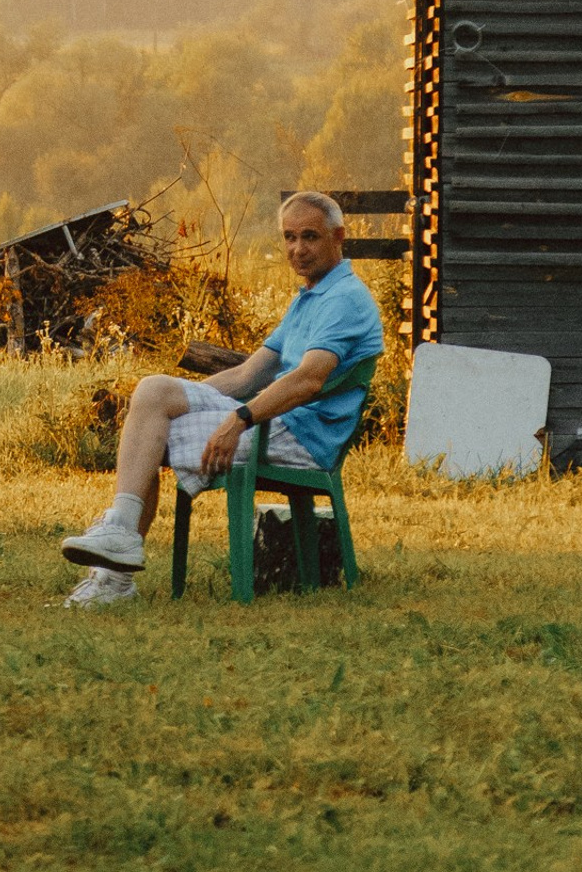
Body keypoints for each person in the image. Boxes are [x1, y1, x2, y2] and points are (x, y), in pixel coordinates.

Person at [57, 190, 384, 606]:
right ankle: (118, 545)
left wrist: (239, 419)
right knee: (155, 397)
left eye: (309, 237)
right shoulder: (310, 297)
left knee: (154, 426)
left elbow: (308, 381)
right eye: (288, 237)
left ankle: (114, 574)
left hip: (302, 437)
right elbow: (251, 374)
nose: (297, 249)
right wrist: (181, 399)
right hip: (281, 425)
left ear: (339, 236)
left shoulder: (345, 299)